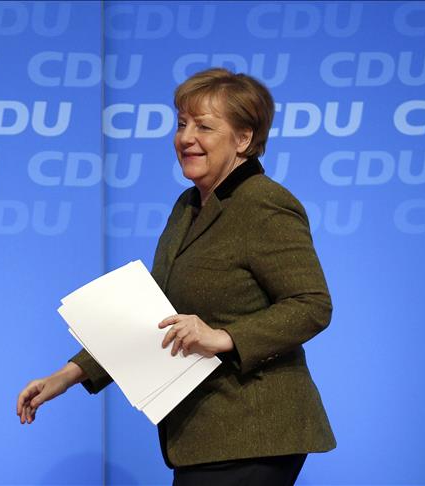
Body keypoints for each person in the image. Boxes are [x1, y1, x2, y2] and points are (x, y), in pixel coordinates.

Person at [17, 68, 335, 486]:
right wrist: (68, 375)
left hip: (254, 430)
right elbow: (155, 313)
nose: (186, 138)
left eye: (204, 126)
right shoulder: (188, 206)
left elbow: (311, 305)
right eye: (182, 124)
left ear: (243, 138)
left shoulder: (264, 203)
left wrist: (225, 337)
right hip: (207, 435)